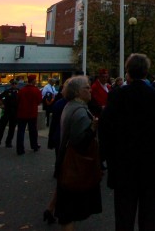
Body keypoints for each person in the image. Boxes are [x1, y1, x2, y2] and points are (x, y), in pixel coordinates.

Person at [100, 54, 155, 231]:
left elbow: (105, 130)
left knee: (124, 217)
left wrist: (106, 158)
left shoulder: (116, 96)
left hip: (123, 165)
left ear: (128, 73)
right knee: (150, 217)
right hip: (150, 165)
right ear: (146, 72)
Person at [54, 76, 102, 229]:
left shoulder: (71, 106)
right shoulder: (80, 112)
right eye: (86, 88)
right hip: (74, 166)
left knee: (67, 211)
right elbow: (79, 142)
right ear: (77, 92)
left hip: (66, 163)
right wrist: (93, 128)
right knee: (69, 212)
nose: (90, 90)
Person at [44, 87, 69, 225]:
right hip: (67, 142)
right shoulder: (71, 105)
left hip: (59, 140)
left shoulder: (59, 103)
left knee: (63, 177)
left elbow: (53, 124)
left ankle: (51, 207)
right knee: (67, 177)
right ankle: (63, 213)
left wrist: (51, 140)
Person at [16, 74, 43, 155]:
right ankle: (34, 145)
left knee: (21, 131)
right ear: (33, 81)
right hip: (32, 113)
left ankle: (20, 149)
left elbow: (18, 100)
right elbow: (39, 101)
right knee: (33, 131)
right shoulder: (36, 90)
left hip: (22, 113)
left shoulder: (22, 90)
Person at [0, 78, 19, 149]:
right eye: (13, 84)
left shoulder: (19, 92)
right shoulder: (7, 91)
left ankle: (8, 142)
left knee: (12, 128)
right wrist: (1, 104)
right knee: (1, 128)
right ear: (11, 84)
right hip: (6, 112)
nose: (14, 85)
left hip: (14, 112)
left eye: (15, 83)